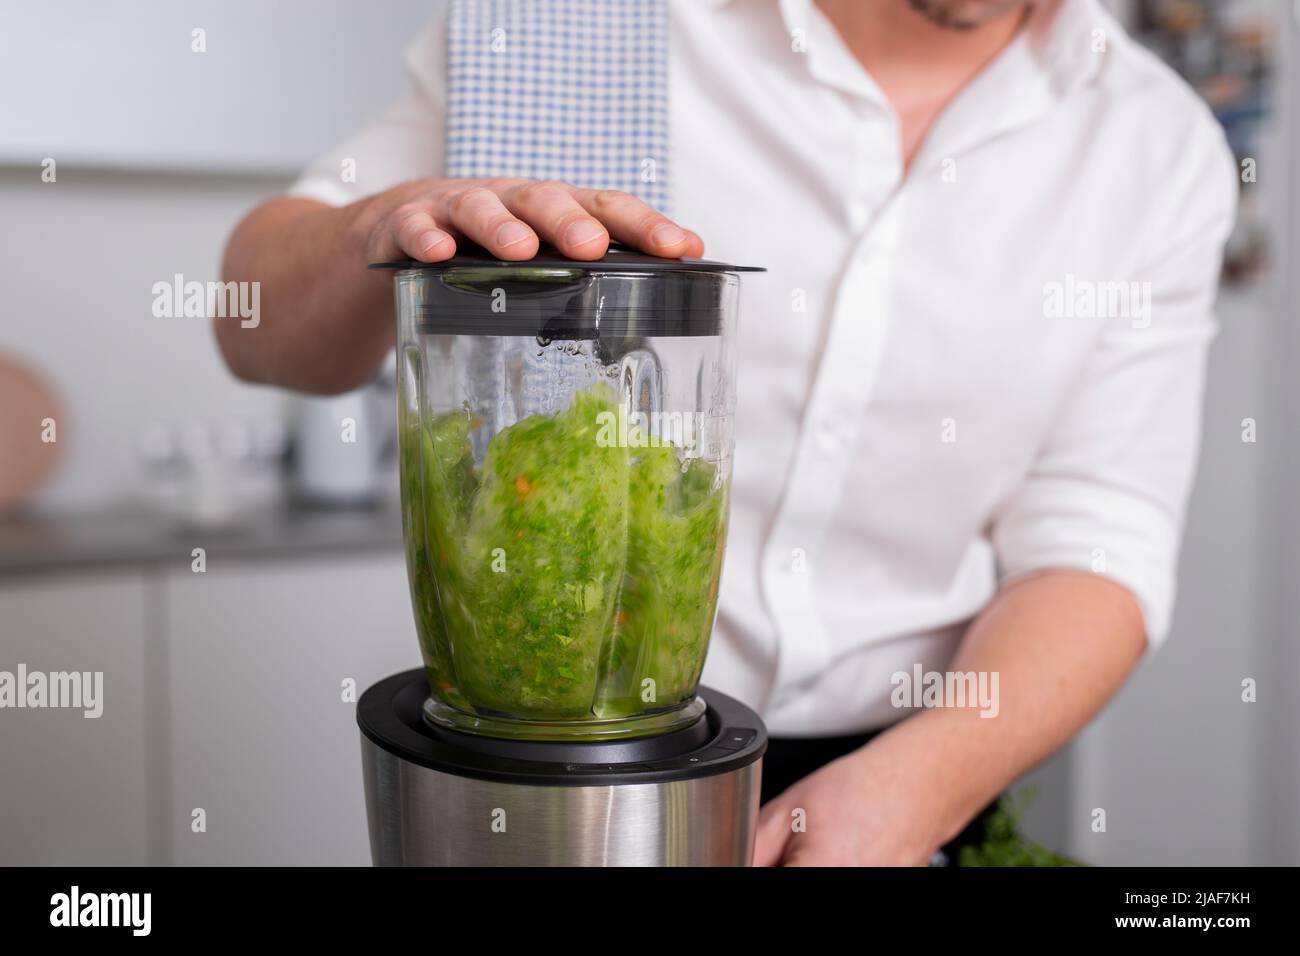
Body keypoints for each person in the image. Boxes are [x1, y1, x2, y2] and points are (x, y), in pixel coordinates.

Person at [218, 0, 1237, 866]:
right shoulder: (575, 29)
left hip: (907, 773)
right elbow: (249, 317)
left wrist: (917, 787)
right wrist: (377, 230)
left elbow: (1099, 541)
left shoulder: (1153, 146)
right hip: (550, 772)